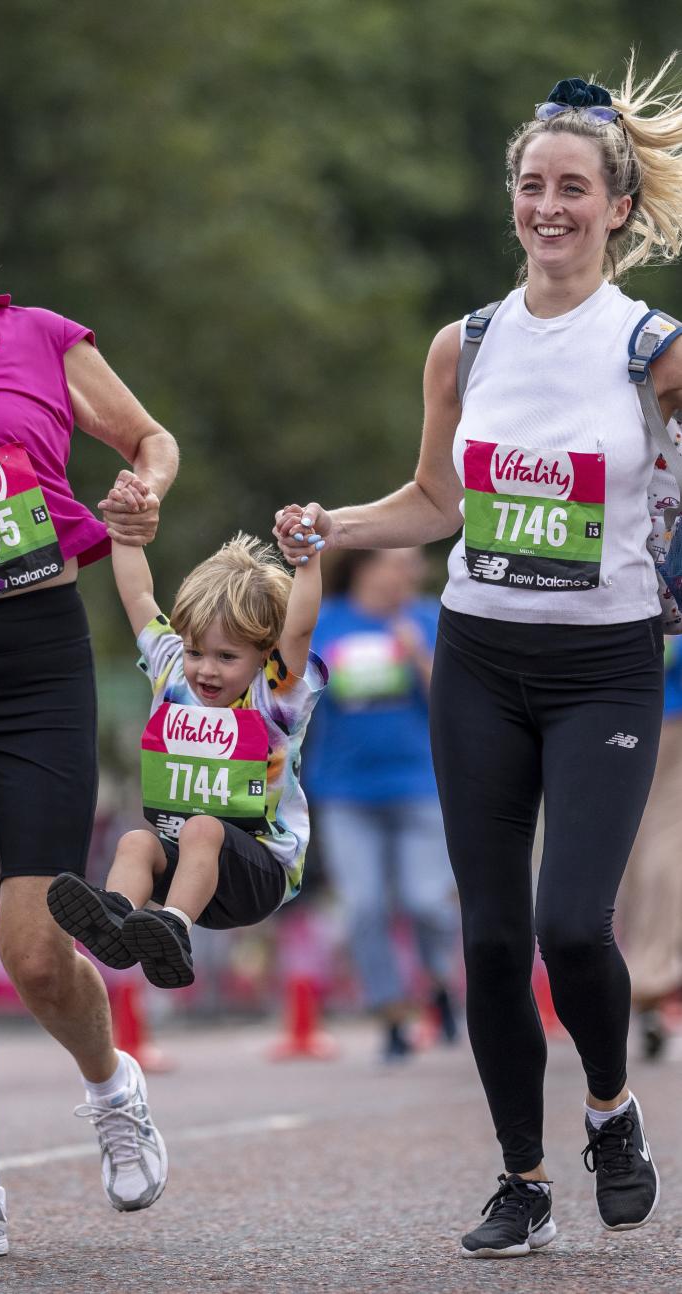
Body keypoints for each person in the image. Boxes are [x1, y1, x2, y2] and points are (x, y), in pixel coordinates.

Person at [275, 56, 682, 1258]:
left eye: (573, 188)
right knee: (494, 936)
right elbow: (436, 500)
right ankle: (523, 1174)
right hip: (481, 660)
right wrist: (336, 525)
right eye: (531, 186)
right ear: (512, 198)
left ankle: (611, 1106)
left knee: (571, 921)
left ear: (616, 207)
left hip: (605, 663)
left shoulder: (653, 350)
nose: (549, 207)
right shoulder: (466, 343)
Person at [0, 148, 179, 1262]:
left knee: (30, 946)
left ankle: (112, 1086)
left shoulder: (37, 338)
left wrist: (144, 490)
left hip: (34, 657)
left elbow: (149, 441)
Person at [46, 530, 326, 998]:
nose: (206, 670)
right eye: (196, 651)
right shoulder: (173, 673)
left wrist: (307, 563)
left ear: (264, 655)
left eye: (226, 657)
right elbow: (137, 594)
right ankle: (118, 918)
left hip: (259, 876)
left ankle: (173, 929)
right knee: (136, 840)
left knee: (203, 828)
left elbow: (298, 628)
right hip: (189, 872)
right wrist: (126, 532)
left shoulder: (274, 695)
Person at [304, 547, 459, 1061]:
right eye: (401, 562)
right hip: (346, 793)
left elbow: (457, 699)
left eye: (414, 566)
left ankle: (439, 981)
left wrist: (417, 654)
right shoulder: (326, 622)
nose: (410, 573)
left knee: (426, 900)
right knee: (364, 905)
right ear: (366, 566)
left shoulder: (429, 617)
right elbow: (296, 695)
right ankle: (390, 1012)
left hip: (420, 786)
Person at [619, 637, 682, 1060]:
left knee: (642, 848)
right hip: (661, 714)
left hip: (629, 715)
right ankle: (650, 977)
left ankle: (644, 979)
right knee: (661, 846)